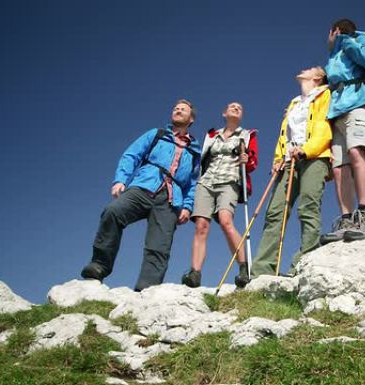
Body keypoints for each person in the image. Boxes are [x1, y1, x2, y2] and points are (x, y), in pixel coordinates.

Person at [81, 99, 201, 291]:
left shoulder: (194, 151)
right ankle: (99, 265)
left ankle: (146, 289)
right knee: (113, 212)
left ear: (191, 118)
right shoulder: (157, 135)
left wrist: (187, 206)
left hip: (170, 199)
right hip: (143, 186)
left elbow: (193, 183)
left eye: (183, 109)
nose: (178, 110)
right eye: (176, 108)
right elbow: (132, 155)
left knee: (159, 246)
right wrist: (121, 179)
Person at [251, 67, 332, 277]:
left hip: (314, 156)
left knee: (308, 205)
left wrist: (306, 150)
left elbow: (325, 128)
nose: (304, 70)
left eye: (310, 69)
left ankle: (303, 263)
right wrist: (278, 158)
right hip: (289, 159)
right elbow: (284, 135)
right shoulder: (295, 102)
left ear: (318, 77)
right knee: (274, 212)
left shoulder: (325, 94)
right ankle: (262, 271)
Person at [182, 102, 258, 288]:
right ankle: (195, 273)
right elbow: (202, 158)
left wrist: (247, 160)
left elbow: (252, 162)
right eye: (232, 106)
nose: (236, 108)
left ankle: (243, 267)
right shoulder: (211, 136)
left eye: (240, 107)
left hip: (230, 181)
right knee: (201, 225)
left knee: (225, 221)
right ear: (224, 113)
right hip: (206, 182)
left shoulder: (247, 135)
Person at [320, 18, 365, 245]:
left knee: (357, 154)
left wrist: (346, 39)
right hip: (337, 113)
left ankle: (364, 215)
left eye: (329, 34)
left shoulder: (359, 39)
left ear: (334, 30)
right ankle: (346, 219)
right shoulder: (334, 56)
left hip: (359, 103)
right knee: (339, 168)